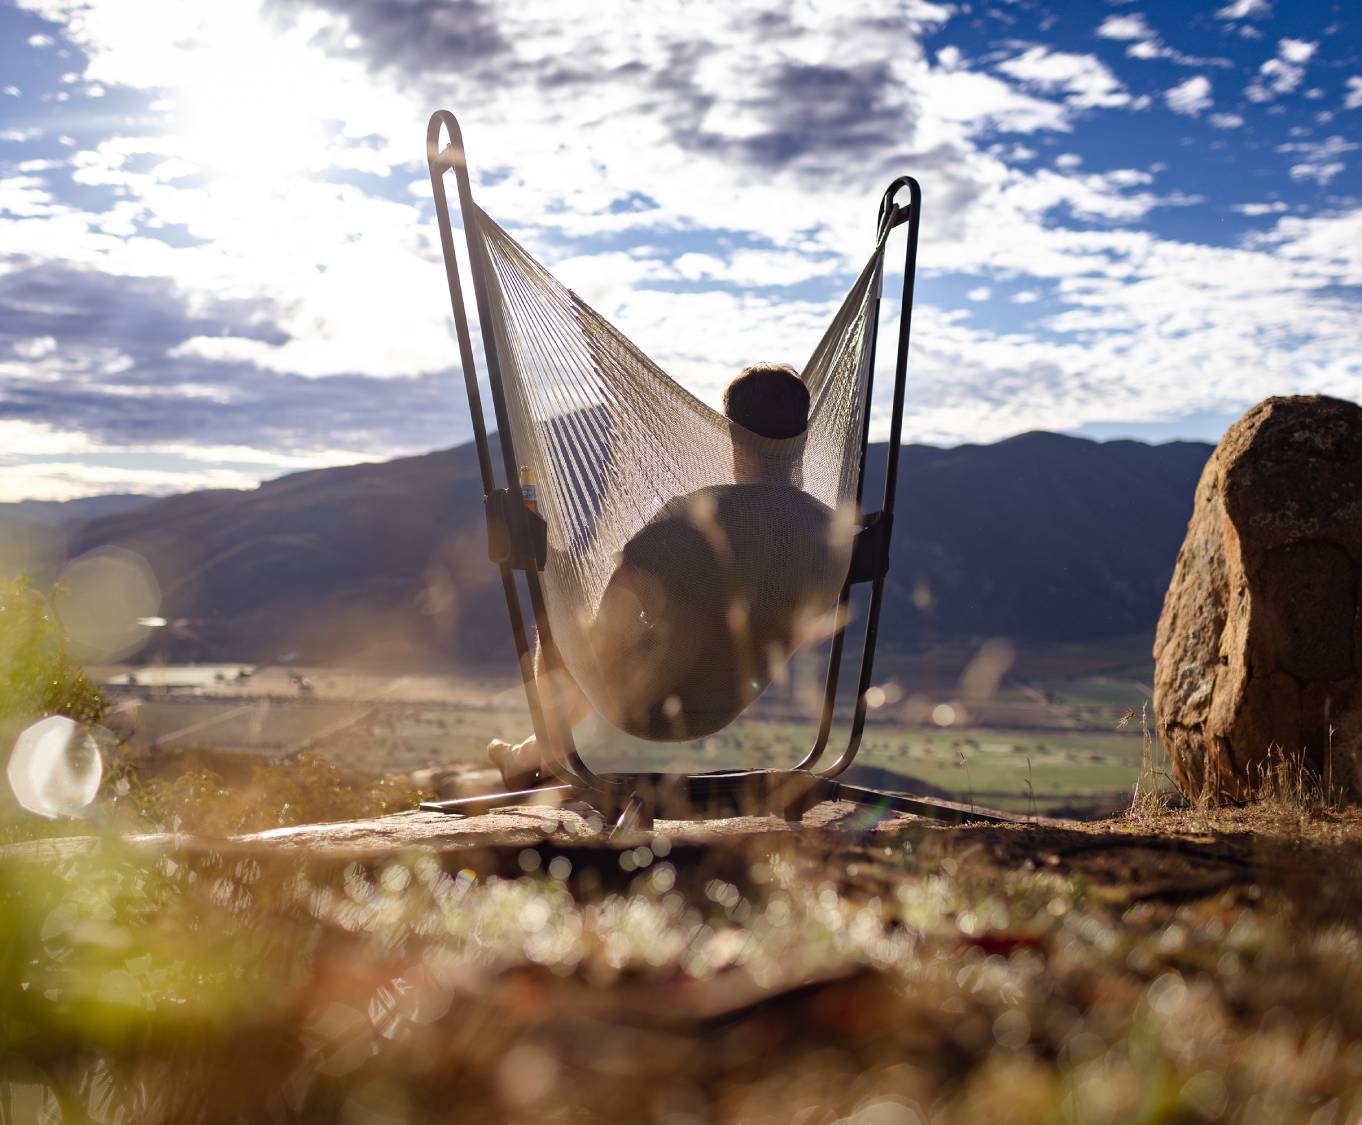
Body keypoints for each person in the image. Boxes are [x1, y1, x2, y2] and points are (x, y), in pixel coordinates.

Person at [488, 362, 853, 788]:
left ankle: (543, 752)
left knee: (556, 590)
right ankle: (529, 753)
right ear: (803, 436)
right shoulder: (832, 530)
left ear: (731, 435)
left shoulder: (689, 518)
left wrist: (553, 565)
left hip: (645, 703)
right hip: (730, 700)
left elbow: (605, 634)